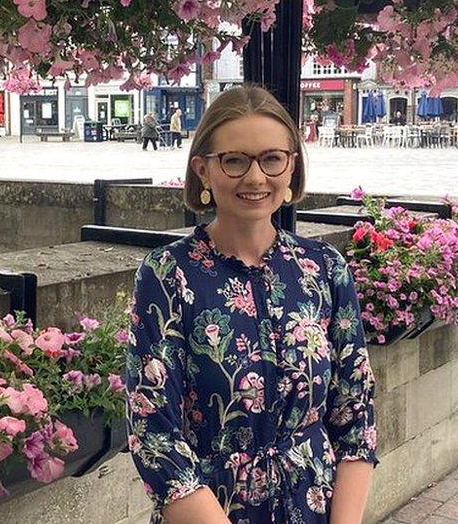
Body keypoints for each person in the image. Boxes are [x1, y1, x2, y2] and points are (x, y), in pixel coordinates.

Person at [126, 85, 377, 524]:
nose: (257, 178)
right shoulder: (169, 274)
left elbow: (355, 413)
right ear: (203, 170)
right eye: (235, 161)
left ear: (291, 166)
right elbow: (153, 432)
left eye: (272, 158)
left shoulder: (323, 269)